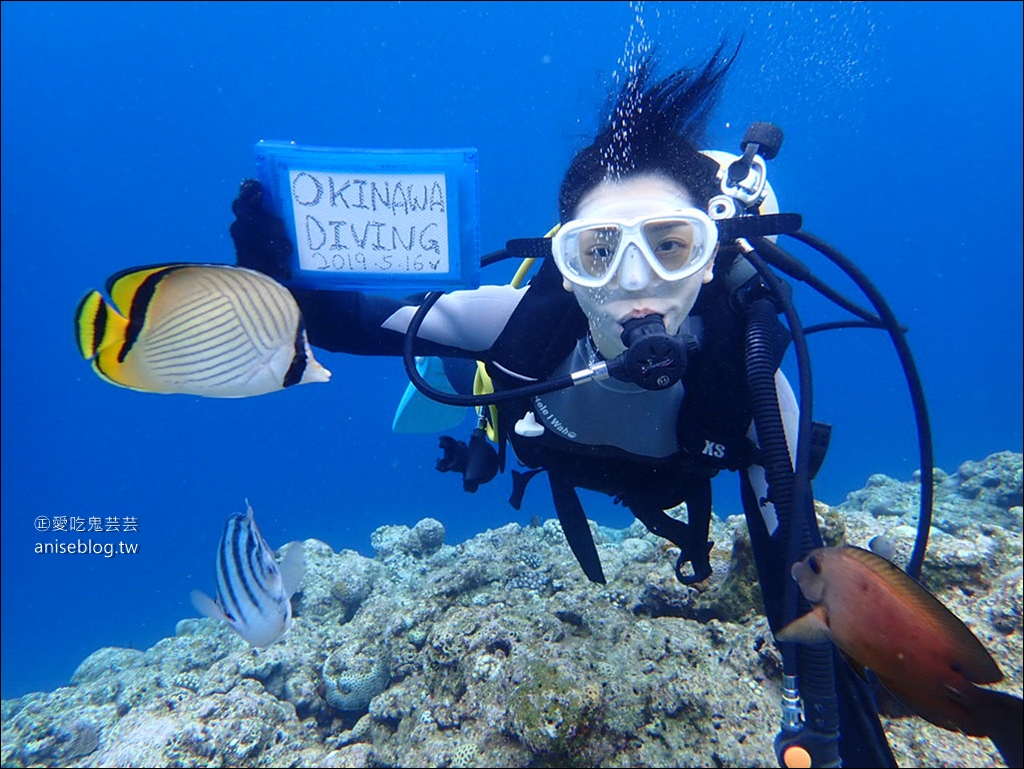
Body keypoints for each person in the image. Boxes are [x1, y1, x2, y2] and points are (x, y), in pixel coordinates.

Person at [229, 45, 899, 768]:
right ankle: (479, 407)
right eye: (597, 252)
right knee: (466, 354)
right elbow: (344, 321)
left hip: (606, 442)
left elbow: (797, 591)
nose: (635, 284)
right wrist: (274, 276)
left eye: (672, 246)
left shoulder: (754, 388)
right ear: (564, 267)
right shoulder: (521, 320)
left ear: (709, 258)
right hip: (534, 403)